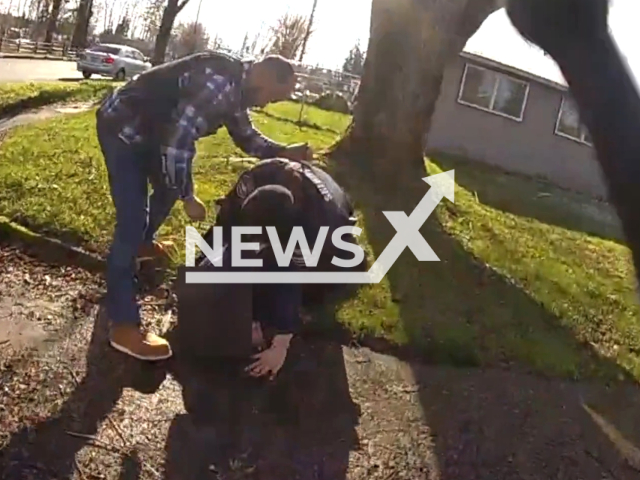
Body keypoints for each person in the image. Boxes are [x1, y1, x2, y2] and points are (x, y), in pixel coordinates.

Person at [95, 51, 314, 361]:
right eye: (273, 96)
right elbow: (177, 143)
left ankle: (142, 245)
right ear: (263, 76)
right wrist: (188, 196)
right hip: (125, 130)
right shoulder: (218, 83)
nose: (267, 104)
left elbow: (248, 138)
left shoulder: (238, 90)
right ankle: (123, 325)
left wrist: (284, 152)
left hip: (151, 135)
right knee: (131, 220)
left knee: (167, 186)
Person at [196, 157, 367, 379]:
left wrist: (281, 342)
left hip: (336, 233)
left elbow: (289, 282)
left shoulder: (319, 232)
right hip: (287, 184)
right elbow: (225, 222)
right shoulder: (253, 181)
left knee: (323, 287)